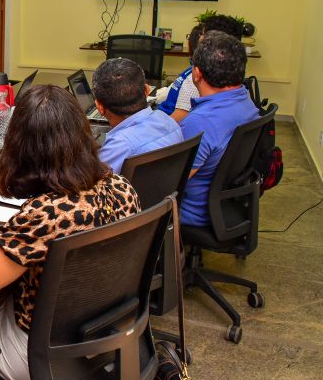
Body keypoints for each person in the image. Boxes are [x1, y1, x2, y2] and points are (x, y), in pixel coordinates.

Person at [0, 85, 141, 380]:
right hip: (105, 335)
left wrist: (1, 242)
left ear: (20, 145)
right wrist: (10, 238)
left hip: (44, 355)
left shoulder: (47, 213)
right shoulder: (120, 186)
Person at [179, 31, 259, 226]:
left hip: (191, 212)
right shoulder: (245, 99)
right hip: (225, 207)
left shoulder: (199, 122)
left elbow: (171, 182)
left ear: (196, 73)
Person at [93, 58, 183, 174]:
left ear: (99, 106)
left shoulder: (119, 147)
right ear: (147, 90)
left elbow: (89, 184)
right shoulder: (168, 121)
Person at [158, 14, 245, 122]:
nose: (200, 38)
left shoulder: (198, 78)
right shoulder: (239, 90)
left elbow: (177, 119)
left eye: (203, 34)